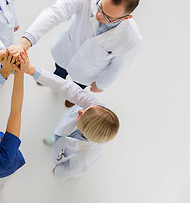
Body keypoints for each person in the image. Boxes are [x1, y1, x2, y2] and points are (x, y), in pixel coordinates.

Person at [9, 0, 141, 107]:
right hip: (66, 51)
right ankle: (51, 80)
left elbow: (118, 67)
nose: (99, 15)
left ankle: (71, 98)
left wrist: (101, 84)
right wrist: (24, 42)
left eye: (108, 16)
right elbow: (55, 12)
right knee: (59, 70)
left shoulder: (131, 39)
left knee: (77, 88)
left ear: (126, 18)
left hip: (87, 72)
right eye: (100, 7)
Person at [16, 49, 119, 180]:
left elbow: (70, 171)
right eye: (86, 109)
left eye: (83, 114)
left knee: (62, 152)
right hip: (67, 134)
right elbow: (67, 88)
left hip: (67, 153)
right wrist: (31, 70)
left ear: (85, 128)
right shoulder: (97, 108)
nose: (80, 109)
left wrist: (58, 172)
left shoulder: (83, 158)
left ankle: (58, 141)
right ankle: (56, 139)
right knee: (60, 135)